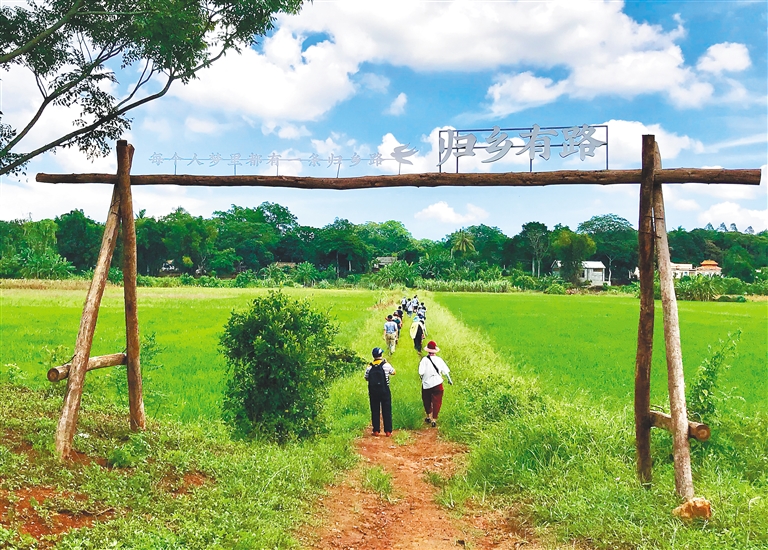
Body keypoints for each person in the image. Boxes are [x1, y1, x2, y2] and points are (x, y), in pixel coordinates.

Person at [418, 341, 452, 428]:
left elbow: (421, 372)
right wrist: (449, 380)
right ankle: (434, 419)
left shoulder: (424, 360)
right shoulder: (439, 360)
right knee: (437, 401)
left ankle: (428, 416)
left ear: (428, 350)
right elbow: (446, 371)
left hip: (427, 384)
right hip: (438, 383)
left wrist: (423, 378)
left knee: (427, 400)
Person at [365, 347, 396, 436]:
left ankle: (376, 430)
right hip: (385, 390)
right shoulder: (386, 365)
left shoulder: (369, 366)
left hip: (373, 391)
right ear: (381, 355)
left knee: (375, 410)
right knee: (386, 410)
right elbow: (393, 372)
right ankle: (388, 431)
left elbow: (366, 378)